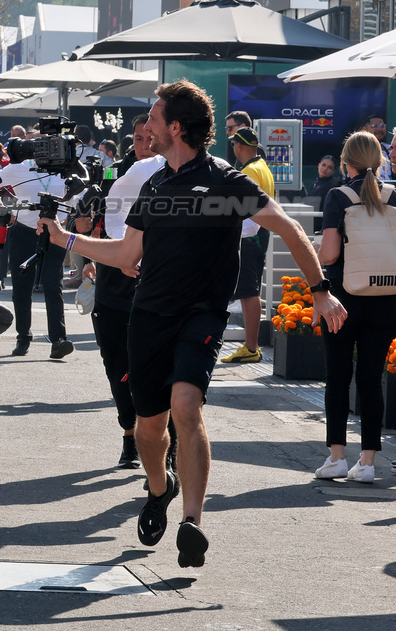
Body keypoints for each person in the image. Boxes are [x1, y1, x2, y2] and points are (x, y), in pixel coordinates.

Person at [36, 80, 346, 568]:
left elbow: (287, 226)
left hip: (201, 315)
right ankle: (161, 489)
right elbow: (124, 254)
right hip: (149, 317)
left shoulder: (226, 181)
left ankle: (192, 523)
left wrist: (320, 290)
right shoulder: (153, 184)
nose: (147, 128)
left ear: (175, 127)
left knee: (187, 405)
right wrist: (67, 241)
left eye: (154, 120)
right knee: (147, 429)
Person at [313, 131, 396, 483]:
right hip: (387, 297)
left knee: (338, 376)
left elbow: (330, 253)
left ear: (346, 161)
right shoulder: (394, 195)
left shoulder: (338, 196)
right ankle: (368, 463)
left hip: (344, 300)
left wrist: (314, 257)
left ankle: (336, 458)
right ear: (378, 161)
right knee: (371, 378)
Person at [81, 112, 162, 469]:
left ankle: (164, 446)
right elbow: (86, 217)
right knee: (116, 365)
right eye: (139, 139)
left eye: (151, 137)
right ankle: (129, 432)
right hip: (114, 286)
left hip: (158, 289)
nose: (145, 145)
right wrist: (86, 250)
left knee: (160, 369)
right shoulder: (114, 174)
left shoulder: (174, 175)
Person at [0, 147, 76, 359]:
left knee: (53, 283)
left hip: (54, 232)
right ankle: (23, 337)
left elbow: (80, 192)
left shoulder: (64, 167)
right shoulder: (19, 167)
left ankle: (58, 339)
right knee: (22, 287)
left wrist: (70, 209)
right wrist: (9, 204)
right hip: (23, 231)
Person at [221, 126, 277, 364]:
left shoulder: (250, 171)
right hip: (258, 234)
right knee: (248, 291)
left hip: (249, 236)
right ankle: (251, 346)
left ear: (239, 146)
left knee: (249, 292)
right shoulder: (262, 166)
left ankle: (251, 347)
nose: (233, 148)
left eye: (234, 144)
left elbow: (243, 210)